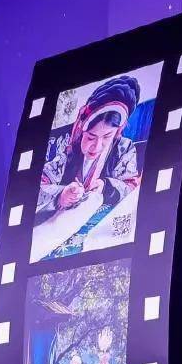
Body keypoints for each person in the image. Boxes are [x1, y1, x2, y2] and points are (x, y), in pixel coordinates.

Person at [37, 75, 144, 256]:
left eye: (107, 137)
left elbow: (132, 187)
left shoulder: (123, 149)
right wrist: (61, 195)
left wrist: (106, 186)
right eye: (91, 137)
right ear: (81, 130)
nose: (97, 146)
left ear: (117, 132)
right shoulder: (68, 149)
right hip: (59, 228)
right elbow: (37, 187)